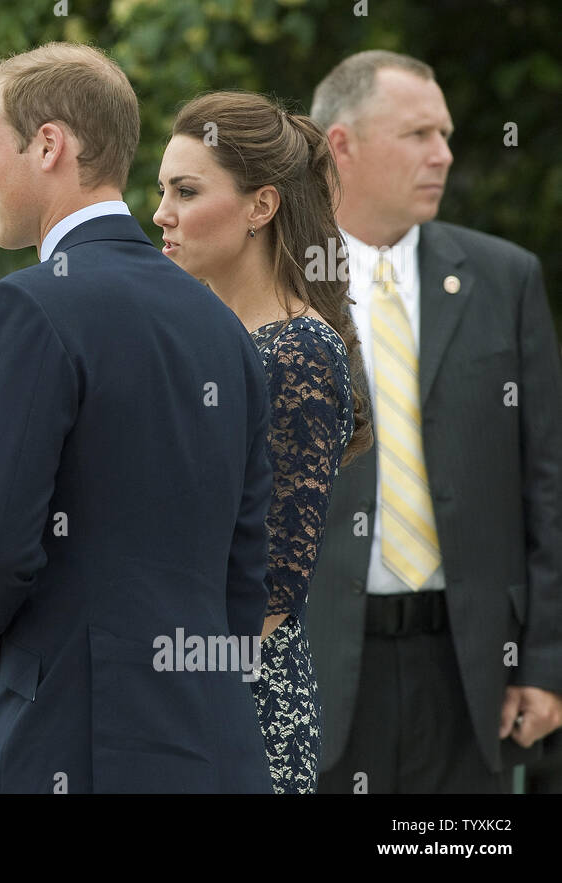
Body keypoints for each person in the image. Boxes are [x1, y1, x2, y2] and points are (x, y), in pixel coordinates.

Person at [0, 42, 274, 793]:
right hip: (213, 744)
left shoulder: (23, 306)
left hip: (71, 740)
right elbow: (246, 572)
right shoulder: (222, 323)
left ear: (49, 144)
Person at [306, 50, 562, 793]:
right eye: (418, 134)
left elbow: (547, 484)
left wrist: (546, 661)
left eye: (445, 134)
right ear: (340, 145)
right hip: (320, 676)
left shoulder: (505, 279)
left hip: (474, 676)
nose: (444, 154)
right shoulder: (278, 281)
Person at [154, 92, 372, 793]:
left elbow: (274, 585)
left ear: (261, 206)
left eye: (186, 191)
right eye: (162, 190)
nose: (162, 212)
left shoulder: (299, 350)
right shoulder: (206, 338)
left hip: (239, 707)